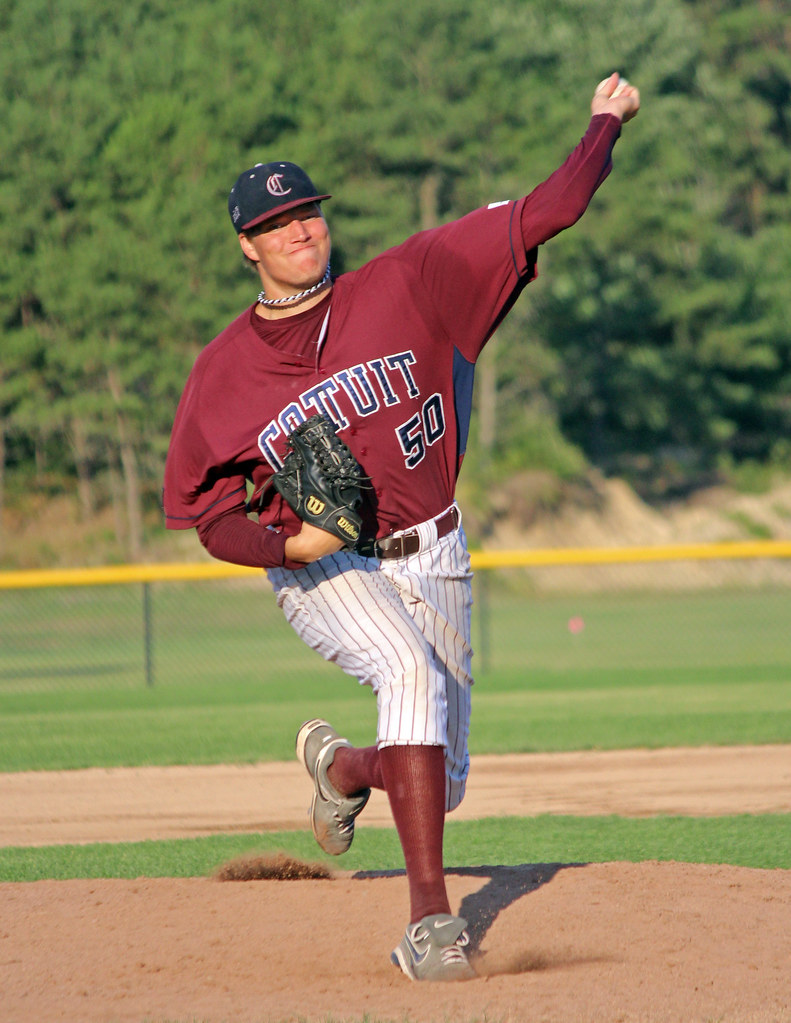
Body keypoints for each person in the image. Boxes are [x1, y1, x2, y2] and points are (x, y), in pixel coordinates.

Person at [163, 73, 640, 982]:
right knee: (404, 671)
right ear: (246, 246)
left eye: (307, 212)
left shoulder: (412, 281)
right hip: (324, 567)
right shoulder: (221, 374)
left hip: (436, 549)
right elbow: (207, 514)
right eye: (274, 223)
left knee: (440, 785)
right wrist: (286, 545)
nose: (298, 230)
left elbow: (550, 210)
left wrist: (603, 123)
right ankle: (430, 923)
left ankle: (344, 768)